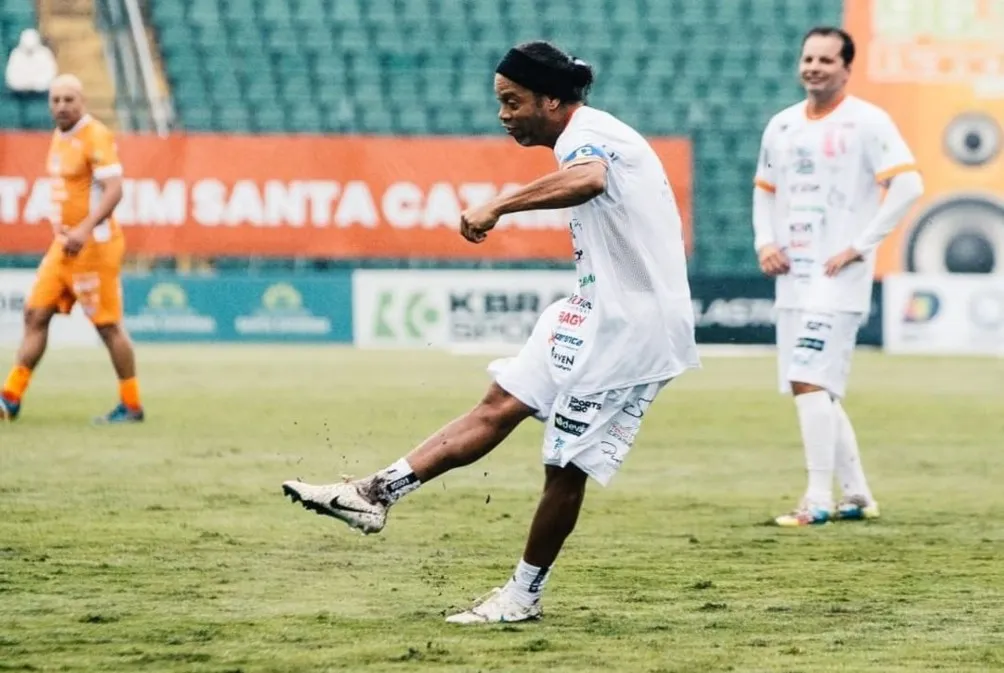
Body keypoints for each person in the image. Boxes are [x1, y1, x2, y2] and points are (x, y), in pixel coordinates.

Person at [281, 40, 700, 623]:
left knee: (564, 467)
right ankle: (372, 496)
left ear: (552, 100)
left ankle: (522, 597)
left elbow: (590, 181)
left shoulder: (587, 135)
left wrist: (499, 205)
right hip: (590, 309)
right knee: (497, 406)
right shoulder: (583, 132)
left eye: (512, 101)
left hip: (632, 327)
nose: (503, 114)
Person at [752, 27, 924, 527]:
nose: (814, 67)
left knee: (807, 377)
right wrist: (765, 243)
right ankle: (856, 495)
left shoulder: (869, 122)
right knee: (816, 386)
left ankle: (816, 499)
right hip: (794, 275)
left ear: (847, 68)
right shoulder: (781, 126)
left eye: (826, 60)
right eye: (808, 58)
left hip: (837, 277)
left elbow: (909, 185)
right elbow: (764, 190)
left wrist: (860, 245)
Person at [0, 74, 145, 424]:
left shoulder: (95, 135)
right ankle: (11, 398)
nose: (61, 106)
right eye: (56, 100)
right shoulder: (60, 136)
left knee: (108, 327)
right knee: (36, 314)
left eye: (69, 99)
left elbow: (114, 190)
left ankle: (131, 404)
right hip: (63, 248)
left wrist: (84, 228)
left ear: (83, 102)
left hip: (95, 247)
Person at [5, 28, 57, 93]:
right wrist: (23, 85)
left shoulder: (45, 53)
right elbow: (11, 77)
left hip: (41, 94)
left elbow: (50, 74)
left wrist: (36, 85)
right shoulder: (16, 54)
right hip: (20, 94)